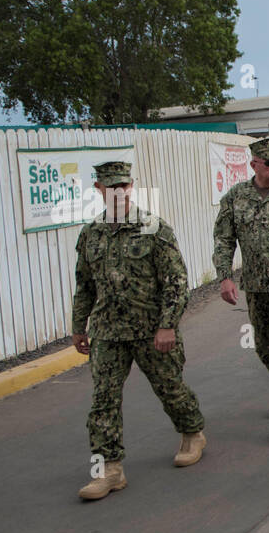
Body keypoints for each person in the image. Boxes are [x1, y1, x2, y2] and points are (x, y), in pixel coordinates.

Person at [72, 161, 205, 500]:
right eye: (109, 187)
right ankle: (109, 469)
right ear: (99, 189)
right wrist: (78, 326)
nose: (117, 192)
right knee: (103, 401)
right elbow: (84, 284)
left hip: (151, 330)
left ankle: (192, 431)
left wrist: (167, 325)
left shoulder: (154, 229)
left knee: (170, 388)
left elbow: (176, 282)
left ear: (130, 186)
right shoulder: (91, 233)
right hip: (107, 332)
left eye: (122, 186)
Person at [213, 136, 269, 440]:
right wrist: (225, 276)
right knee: (265, 346)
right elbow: (224, 240)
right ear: (254, 165)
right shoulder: (236, 197)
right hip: (255, 286)